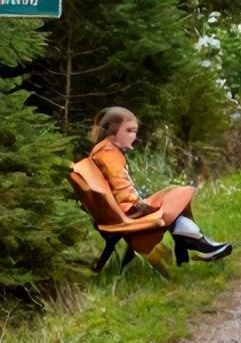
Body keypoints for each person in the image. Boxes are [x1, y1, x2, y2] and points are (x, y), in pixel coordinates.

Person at [87, 106, 232, 264]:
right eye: (129, 131)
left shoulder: (104, 150)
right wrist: (140, 206)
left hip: (120, 211)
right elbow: (121, 189)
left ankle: (198, 244)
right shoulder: (108, 153)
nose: (134, 136)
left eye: (135, 131)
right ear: (114, 131)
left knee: (176, 194)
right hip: (128, 212)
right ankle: (200, 245)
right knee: (179, 195)